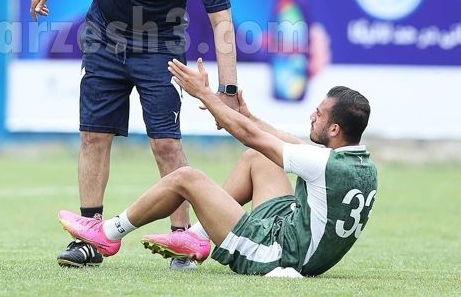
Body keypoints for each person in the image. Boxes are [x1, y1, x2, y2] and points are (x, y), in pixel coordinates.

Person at [30, 0, 240, 270]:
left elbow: (222, 19)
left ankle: (182, 239)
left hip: (160, 48)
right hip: (103, 39)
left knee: (165, 143)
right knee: (94, 136)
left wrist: (228, 92)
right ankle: (90, 236)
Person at [58, 58, 378, 277]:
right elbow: (275, 139)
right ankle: (197, 237)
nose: (312, 115)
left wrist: (204, 94)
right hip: (298, 241)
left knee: (186, 177)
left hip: (278, 254)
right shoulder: (360, 163)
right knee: (259, 159)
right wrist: (246, 115)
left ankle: (107, 234)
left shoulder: (322, 163)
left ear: (334, 130)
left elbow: (250, 137)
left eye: (319, 114)